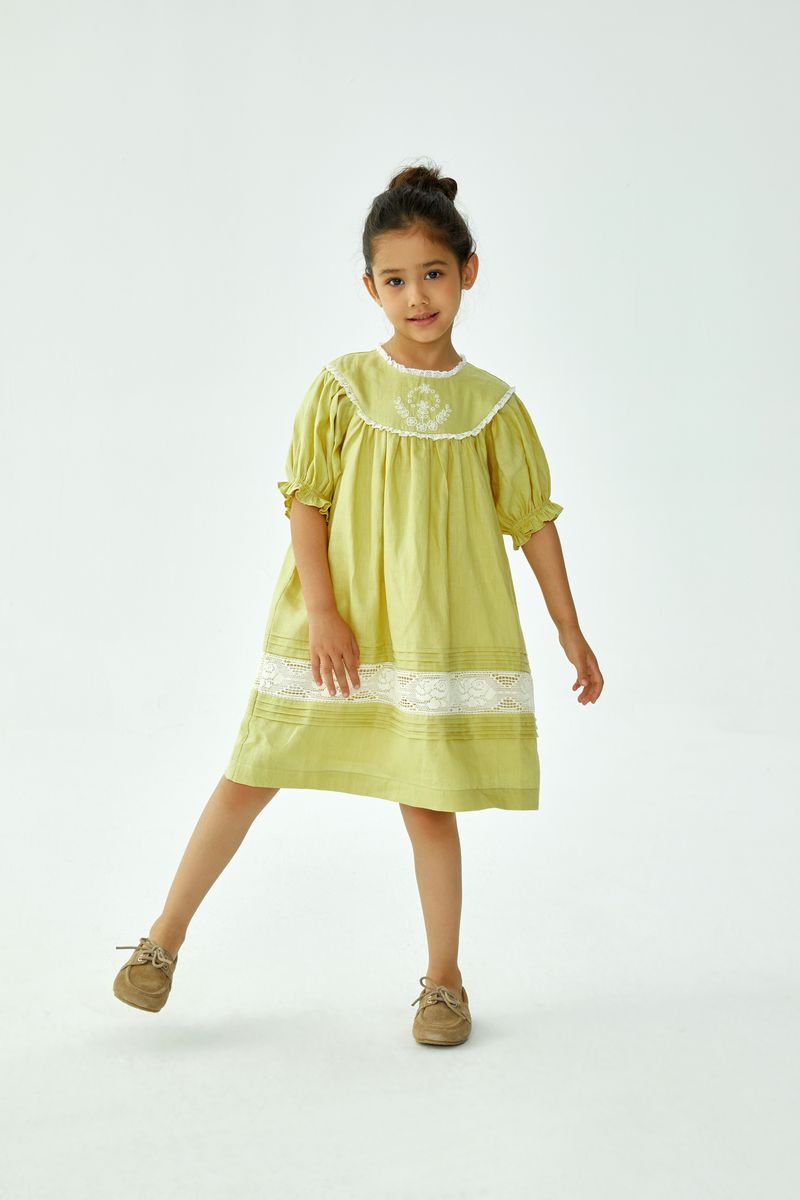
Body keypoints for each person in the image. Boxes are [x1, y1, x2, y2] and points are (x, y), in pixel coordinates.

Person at [113, 160, 604, 1046]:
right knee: (252, 769)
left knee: (429, 802)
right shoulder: (343, 386)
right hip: (335, 622)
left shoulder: (492, 407)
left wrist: (569, 627)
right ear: (370, 287)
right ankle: (163, 937)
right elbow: (307, 501)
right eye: (395, 279)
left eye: (434, 274)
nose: (417, 296)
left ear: (469, 272)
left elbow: (531, 520)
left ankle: (444, 982)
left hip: (431, 633)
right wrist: (325, 613)